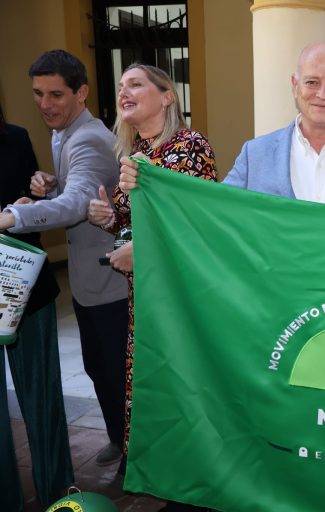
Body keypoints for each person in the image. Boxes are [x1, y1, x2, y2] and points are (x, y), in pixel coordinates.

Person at [87, 63, 216, 510]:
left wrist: (139, 244)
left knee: (184, 382)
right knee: (152, 387)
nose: (124, 91)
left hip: (181, 296)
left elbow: (195, 224)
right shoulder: (133, 152)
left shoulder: (189, 146)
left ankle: (197, 484)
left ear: (167, 97)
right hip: (145, 297)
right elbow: (134, 228)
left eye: (136, 84)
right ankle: (169, 479)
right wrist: (110, 220)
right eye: (120, 85)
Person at [120, 42, 325, 219]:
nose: (323, 94)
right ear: (295, 86)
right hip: (277, 314)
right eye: (311, 82)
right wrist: (151, 183)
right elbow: (211, 211)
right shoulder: (257, 155)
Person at [0, 49, 129, 467]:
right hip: (89, 282)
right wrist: (46, 191)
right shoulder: (64, 133)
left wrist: (12, 215)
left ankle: (135, 454)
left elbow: (76, 206)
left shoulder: (88, 136)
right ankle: (118, 439)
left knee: (116, 374)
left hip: (110, 282)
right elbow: (79, 195)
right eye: (38, 94)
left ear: (82, 92)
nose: (44, 104)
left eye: (56, 94)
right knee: (98, 369)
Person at [0, 103, 74, 509]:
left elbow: (31, 203)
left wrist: (36, 194)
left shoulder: (15, 138)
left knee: (42, 395)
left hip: (23, 283)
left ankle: (58, 490)